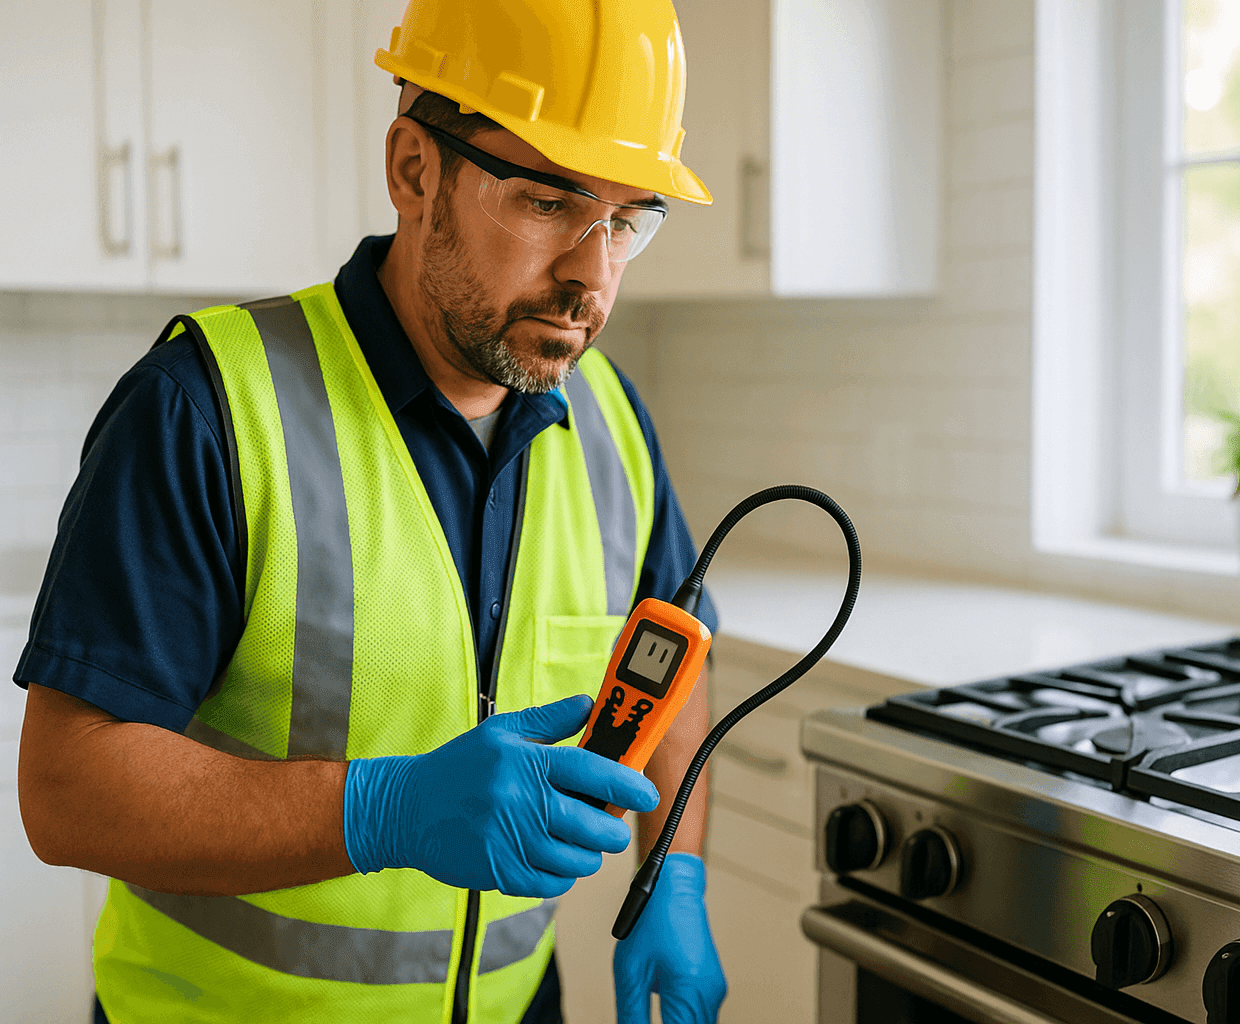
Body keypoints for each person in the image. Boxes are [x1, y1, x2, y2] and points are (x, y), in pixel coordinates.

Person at [14, 1, 728, 1021]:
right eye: (546, 202)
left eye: (627, 219)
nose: (592, 276)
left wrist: (677, 879)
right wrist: (381, 810)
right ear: (413, 170)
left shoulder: (611, 423)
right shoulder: (208, 407)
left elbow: (675, 659)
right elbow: (66, 787)